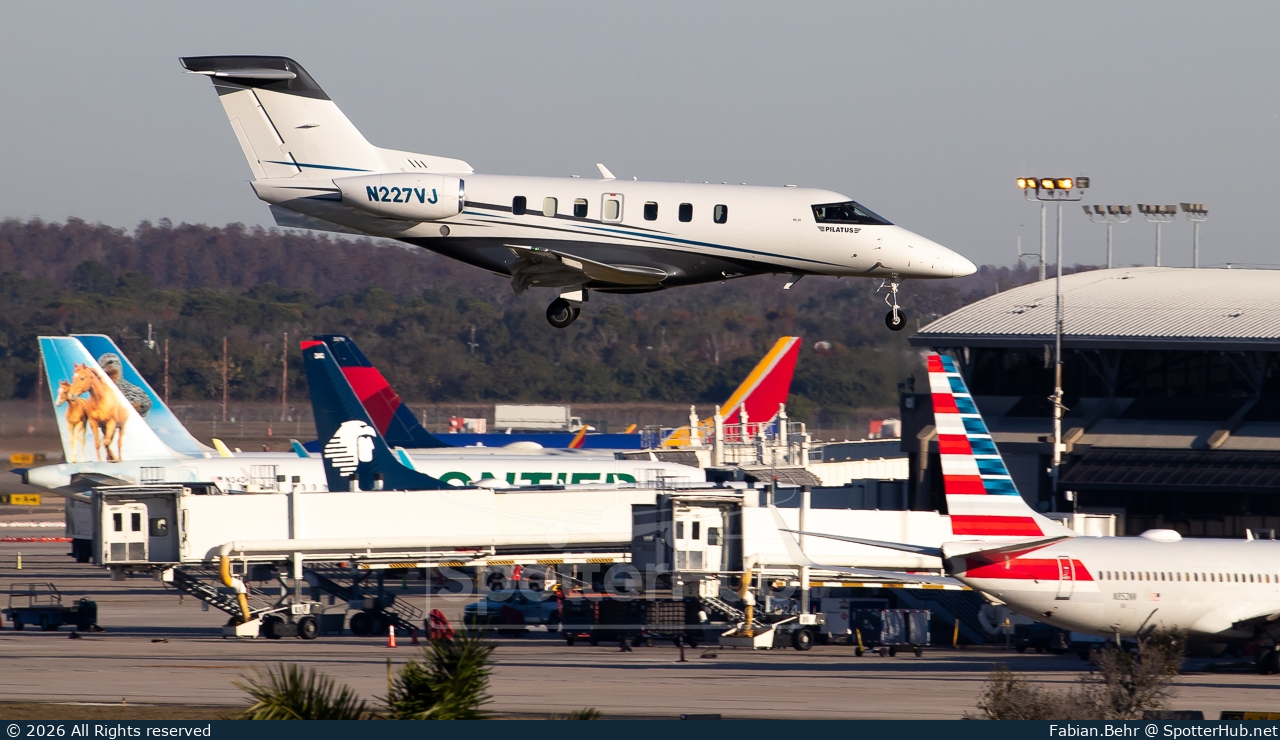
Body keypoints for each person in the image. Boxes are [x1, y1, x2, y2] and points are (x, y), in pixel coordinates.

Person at [96, 353, 151, 417]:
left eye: (110, 363)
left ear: (117, 365)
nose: (102, 368)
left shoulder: (129, 392)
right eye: (99, 366)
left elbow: (147, 403)